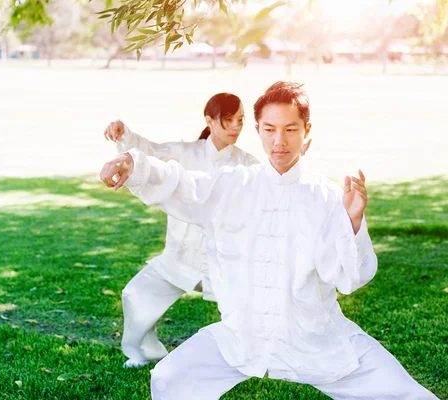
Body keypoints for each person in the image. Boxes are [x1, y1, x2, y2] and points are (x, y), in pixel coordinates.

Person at [100, 81, 438, 399]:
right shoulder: (233, 185)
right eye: (270, 129)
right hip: (241, 336)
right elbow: (183, 184)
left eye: (291, 129)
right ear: (259, 131)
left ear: (307, 134)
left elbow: (349, 278)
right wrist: (134, 163)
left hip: (314, 336)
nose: (280, 141)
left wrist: (351, 220)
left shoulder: (327, 197)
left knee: (401, 391)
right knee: (170, 378)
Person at [104, 93, 260, 368]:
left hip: (225, 260)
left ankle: (255, 357)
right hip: (181, 255)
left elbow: (269, 187)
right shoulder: (185, 152)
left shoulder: (247, 164)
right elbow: (148, 152)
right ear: (210, 121)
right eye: (228, 120)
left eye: (240, 120)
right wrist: (123, 134)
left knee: (250, 310)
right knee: (136, 294)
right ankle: (145, 353)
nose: (236, 127)